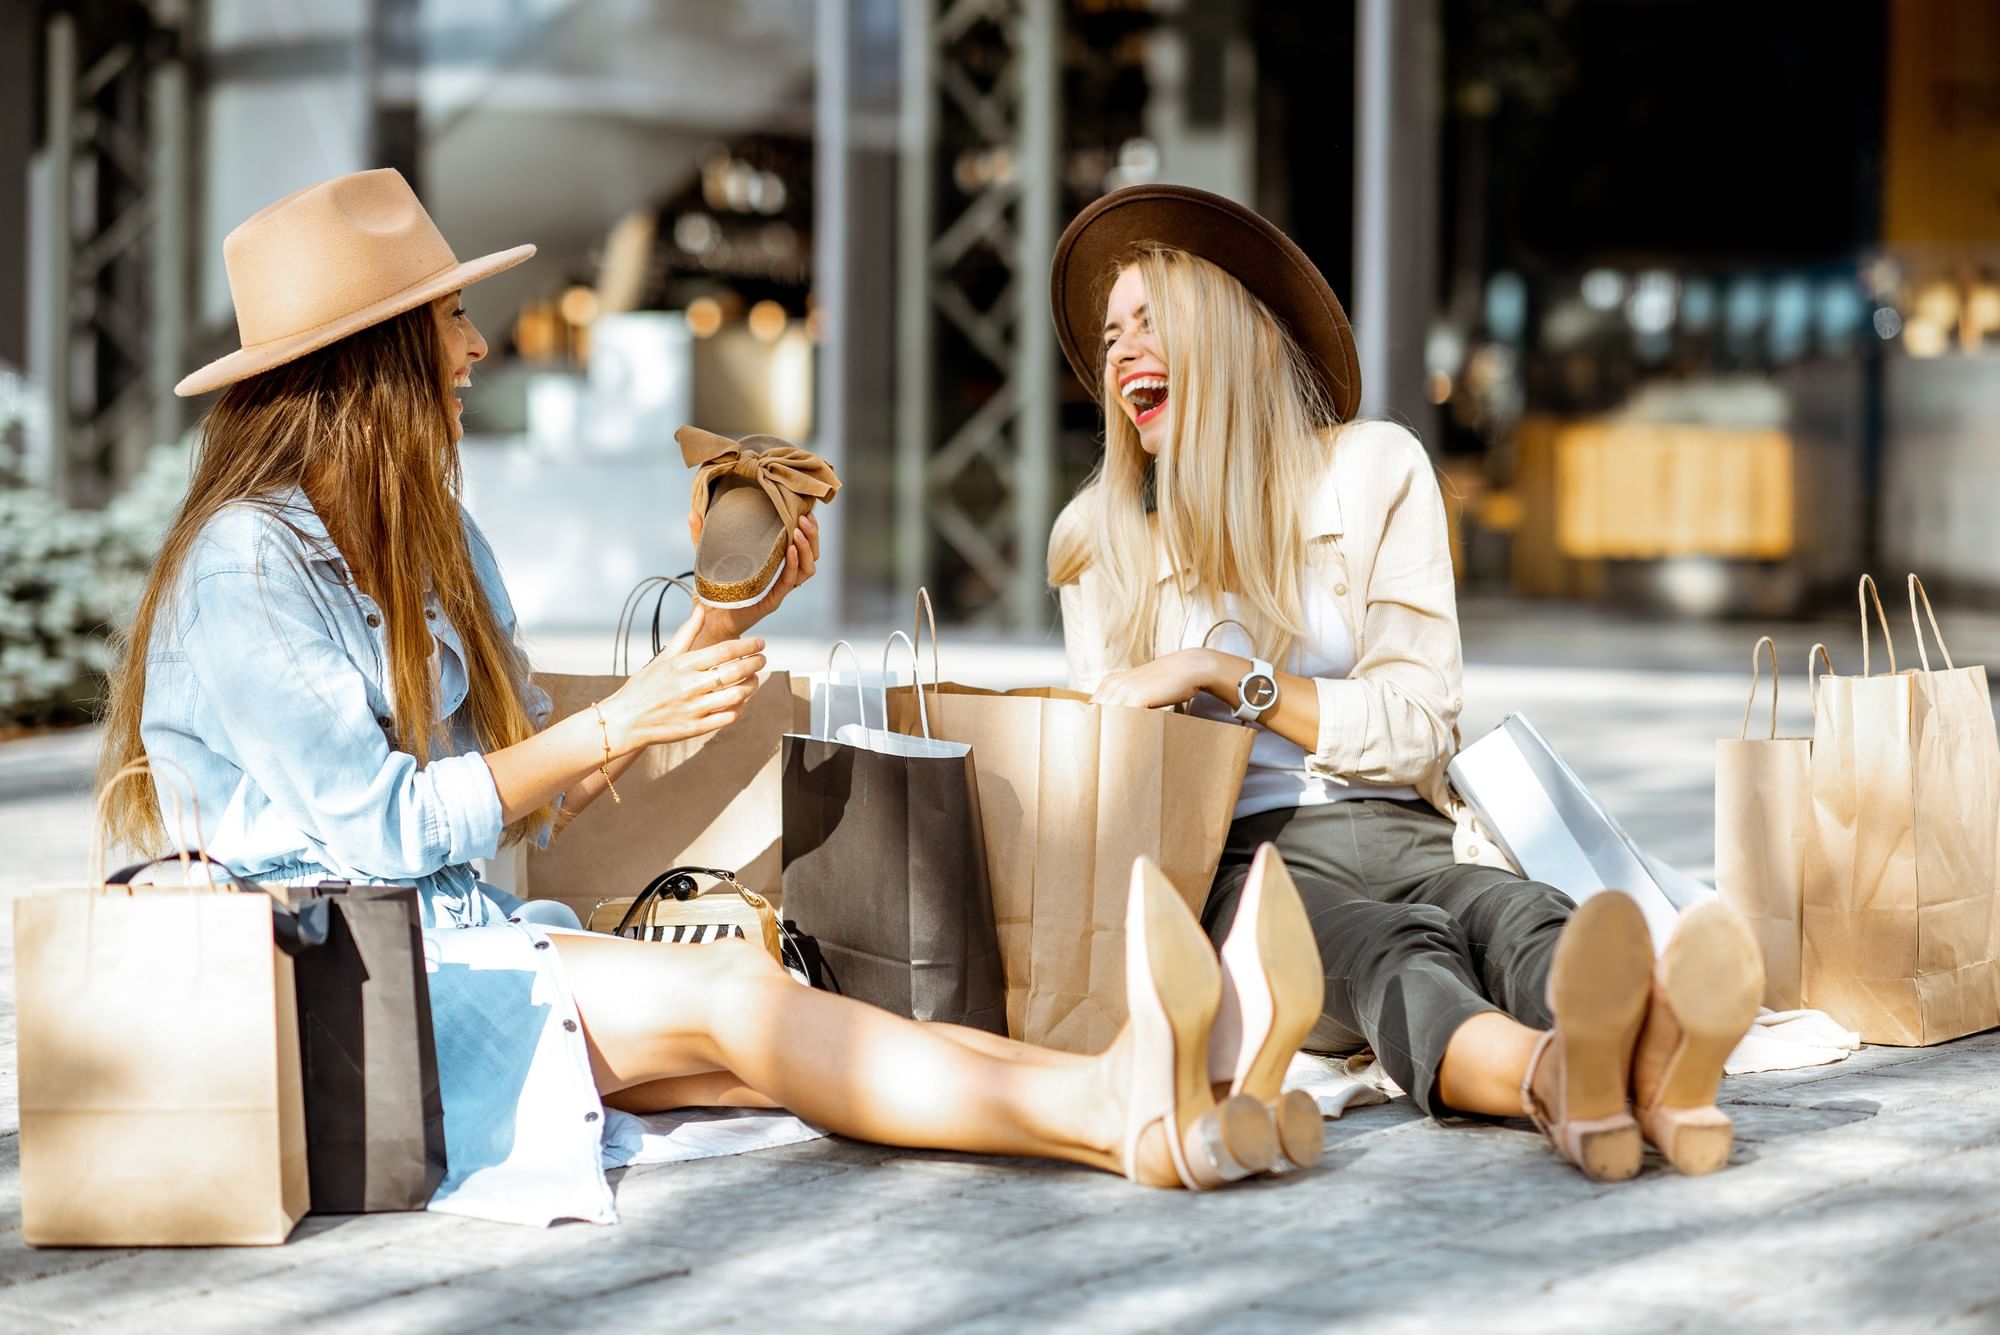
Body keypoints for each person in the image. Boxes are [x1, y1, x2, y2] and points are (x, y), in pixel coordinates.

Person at [98, 170, 1309, 1223]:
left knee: (770, 1029)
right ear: (369, 361)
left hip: (448, 952)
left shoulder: (436, 540)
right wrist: (623, 717)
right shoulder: (246, 565)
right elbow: (384, 827)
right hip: (333, 1000)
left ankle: (1174, 1110)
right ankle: (1119, 1105)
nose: (477, 348)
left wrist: (719, 623)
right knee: (741, 1005)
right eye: (453, 319)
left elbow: (527, 790)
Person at [1046, 184, 1764, 1181]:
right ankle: (1569, 1082)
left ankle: (1640, 1072)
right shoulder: (1097, 545)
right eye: (1109, 334)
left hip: (1409, 824)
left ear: (1231, 333)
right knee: (1391, 953)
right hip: (1240, 867)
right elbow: (1113, 791)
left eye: (1149, 321)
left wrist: (1227, 676)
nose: (1120, 351)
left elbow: (1417, 725)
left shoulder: (1373, 469)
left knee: (1516, 917)